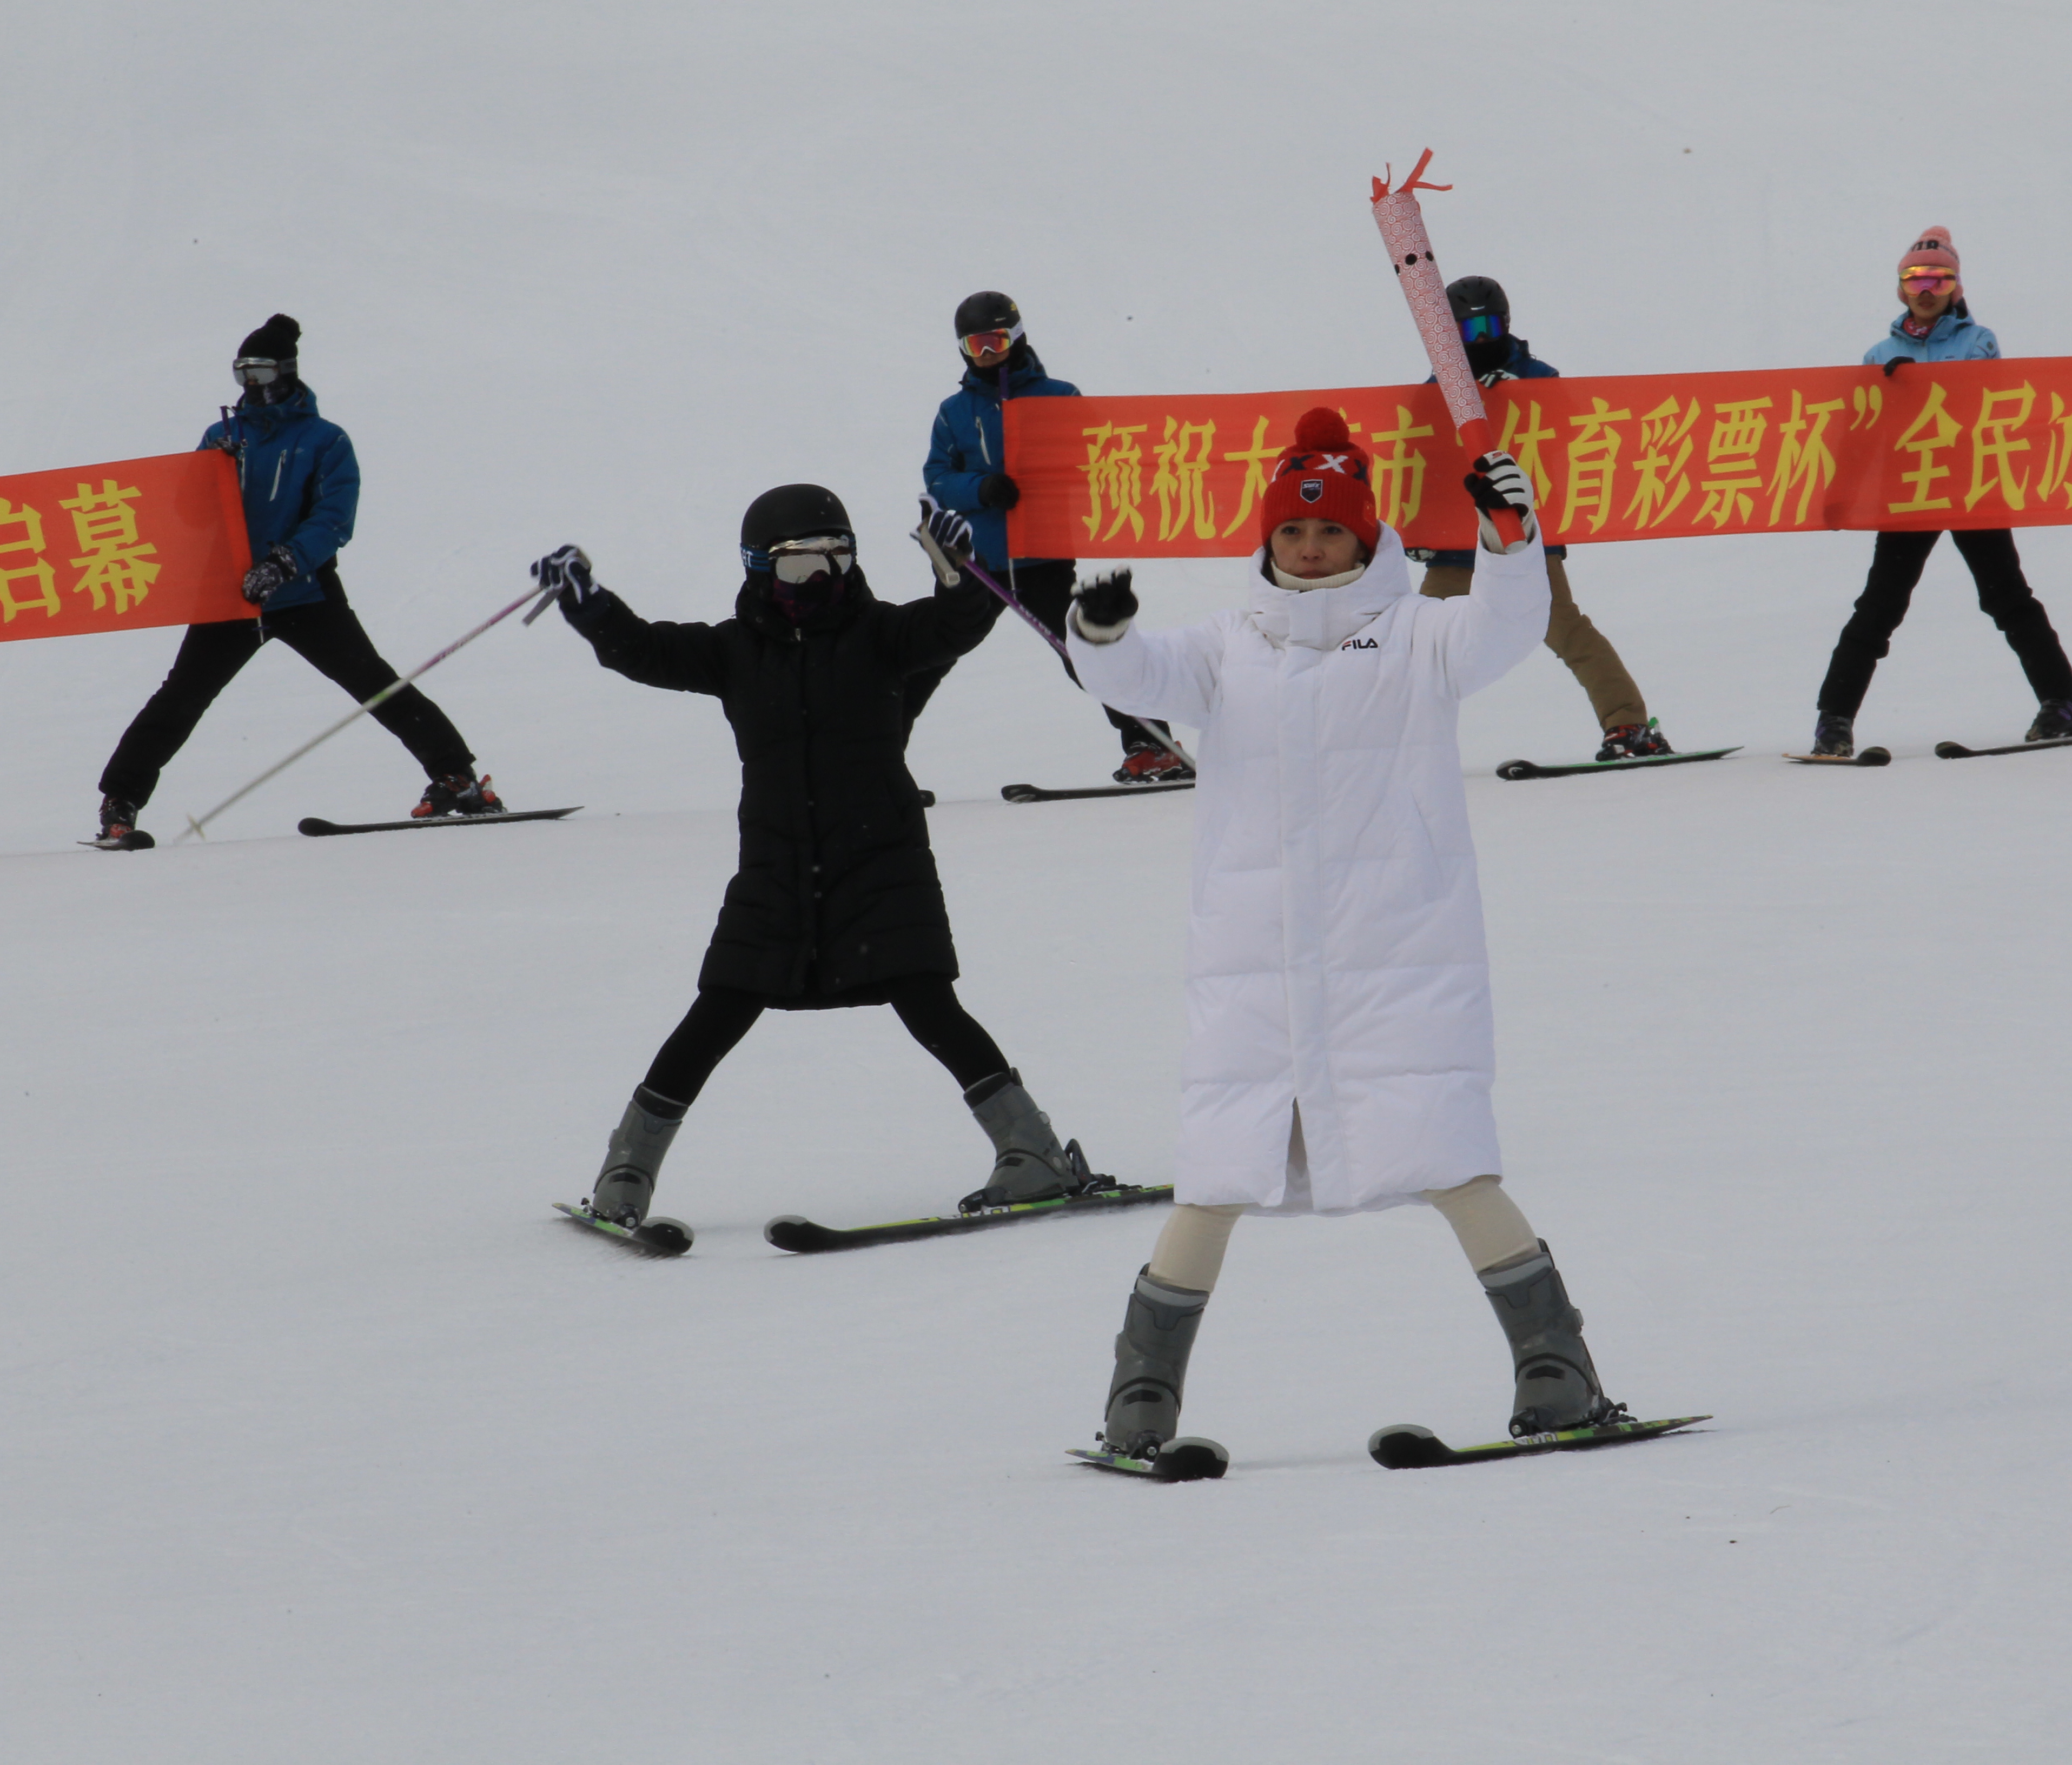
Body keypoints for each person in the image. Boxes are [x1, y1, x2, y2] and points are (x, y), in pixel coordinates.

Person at [1063, 407, 1629, 1462]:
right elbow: (1134, 679)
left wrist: (1510, 539)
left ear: (1366, 538)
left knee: (1451, 1159)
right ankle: (1139, 1400)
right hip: (1254, 973)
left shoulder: (1419, 632)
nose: (1311, 547)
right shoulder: (1226, 645)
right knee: (1217, 1175)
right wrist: (1102, 634)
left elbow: (1508, 627)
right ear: (1268, 538)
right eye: (1293, 530)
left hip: (1397, 961)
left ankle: (1558, 1372)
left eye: (1330, 531)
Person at [541, 488, 1099, 1226]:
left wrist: (959, 575)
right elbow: (640, 649)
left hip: (880, 861)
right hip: (776, 869)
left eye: (837, 557)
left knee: (929, 1004)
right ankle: (627, 1170)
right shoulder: (733, 651)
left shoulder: (884, 635)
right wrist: (588, 606)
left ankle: (1035, 1154)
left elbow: (957, 624)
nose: (822, 577)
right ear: (758, 567)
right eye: (800, 563)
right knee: (717, 1011)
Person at [95, 315, 502, 846]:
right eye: (242, 373)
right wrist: (210, 472)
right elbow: (190, 515)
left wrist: (284, 563)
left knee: (374, 683)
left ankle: (457, 779)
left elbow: (334, 518)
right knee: (181, 698)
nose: (251, 384)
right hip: (233, 596)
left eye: (261, 372)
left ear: (286, 371)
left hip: (304, 593)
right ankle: (120, 801)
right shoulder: (222, 437)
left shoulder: (324, 440)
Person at [1809, 230, 2072, 756]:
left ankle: (2062, 704)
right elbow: (1859, 432)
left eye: (1939, 280)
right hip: (1911, 493)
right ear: (1901, 288)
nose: (1926, 290)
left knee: (2008, 598)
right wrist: (1841, 493)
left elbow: (1987, 400)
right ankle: (1834, 722)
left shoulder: (1978, 341)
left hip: (1972, 487)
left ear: (1956, 288)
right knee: (1879, 607)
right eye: (1915, 280)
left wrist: (1916, 389)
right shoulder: (1880, 354)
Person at [918, 291, 1182, 782]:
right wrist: (981, 488)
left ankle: (1153, 743)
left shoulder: (1060, 397)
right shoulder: (955, 411)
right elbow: (937, 477)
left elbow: (1096, 462)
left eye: (995, 342)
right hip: (980, 562)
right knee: (929, 656)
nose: (986, 355)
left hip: (1043, 556)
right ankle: (877, 763)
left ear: (1017, 338)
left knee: (1082, 654)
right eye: (975, 346)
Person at [1412, 276, 1675, 761]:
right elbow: (1419, 464)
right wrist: (1420, 531)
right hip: (1457, 540)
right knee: (1418, 643)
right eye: (1469, 332)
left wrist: (1524, 398)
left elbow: (1574, 438)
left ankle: (1629, 725)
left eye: (1490, 328)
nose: (1482, 341)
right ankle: (1392, 738)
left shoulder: (1537, 377)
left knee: (1566, 630)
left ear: (1507, 324)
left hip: (1523, 531)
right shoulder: (1436, 391)